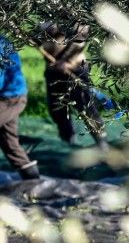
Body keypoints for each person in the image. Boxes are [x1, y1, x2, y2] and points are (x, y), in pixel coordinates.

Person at [38, 22, 107, 149]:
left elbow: (80, 39)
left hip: (74, 69)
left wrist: (66, 61)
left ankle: (101, 142)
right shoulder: (44, 13)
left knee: (85, 107)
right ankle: (68, 140)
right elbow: (36, 38)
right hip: (53, 72)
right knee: (58, 109)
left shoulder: (72, 12)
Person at [0, 36, 40, 180]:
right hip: (6, 96)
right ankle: (33, 181)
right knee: (9, 143)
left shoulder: (1, 44)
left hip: (12, 98)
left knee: (9, 141)